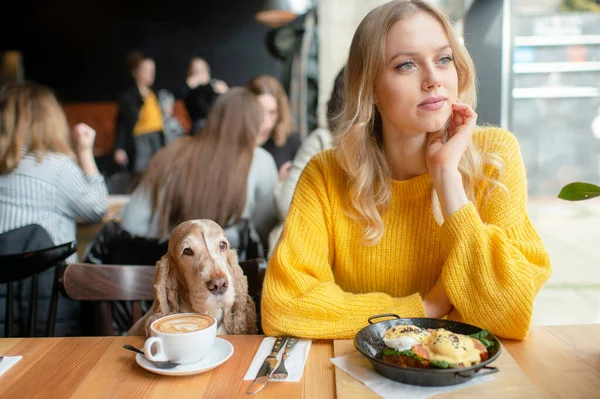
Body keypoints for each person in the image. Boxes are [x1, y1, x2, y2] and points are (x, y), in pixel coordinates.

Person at [261, 0, 551, 340]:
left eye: (444, 59)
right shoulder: (326, 174)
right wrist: (424, 310)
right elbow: (284, 307)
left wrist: (447, 179)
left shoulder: (494, 156)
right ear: (370, 87)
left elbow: (509, 313)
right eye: (406, 65)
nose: (433, 80)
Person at [0, 82, 108, 336]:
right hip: (49, 308)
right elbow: (97, 208)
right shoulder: (56, 167)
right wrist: (85, 152)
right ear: (50, 120)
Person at [119, 87, 279, 251]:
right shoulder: (259, 160)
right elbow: (266, 232)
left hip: (162, 269)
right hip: (230, 272)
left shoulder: (172, 152)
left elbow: (131, 221)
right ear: (253, 123)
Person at [114, 53, 164, 176]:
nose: (150, 74)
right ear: (135, 72)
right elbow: (122, 123)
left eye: (152, 70)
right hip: (140, 137)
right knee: (141, 171)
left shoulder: (154, 94)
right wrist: (119, 148)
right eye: (146, 70)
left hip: (157, 135)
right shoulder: (128, 96)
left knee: (159, 168)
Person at [248, 75, 301, 182]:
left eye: (272, 113)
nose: (266, 121)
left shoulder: (291, 142)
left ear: (280, 112)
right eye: (259, 111)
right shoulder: (236, 139)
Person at [181, 57, 229, 134]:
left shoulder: (214, 84)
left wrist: (224, 92)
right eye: (196, 69)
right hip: (199, 123)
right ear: (190, 72)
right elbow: (180, 98)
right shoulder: (189, 87)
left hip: (217, 121)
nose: (199, 72)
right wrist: (190, 84)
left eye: (202, 69)